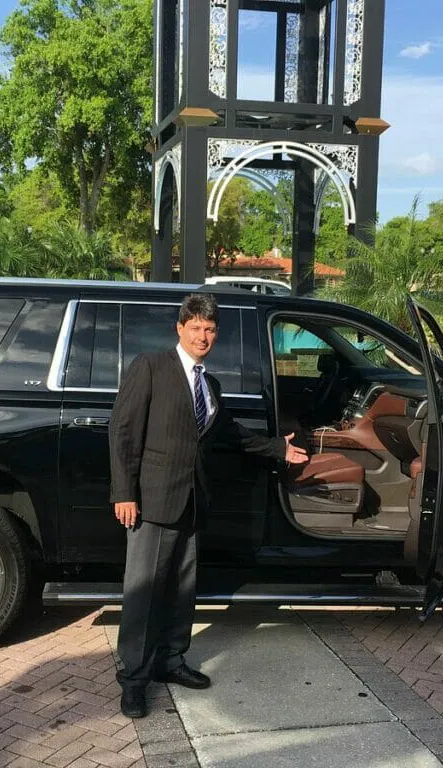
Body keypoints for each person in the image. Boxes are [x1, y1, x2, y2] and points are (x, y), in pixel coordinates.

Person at [109, 292, 308, 718]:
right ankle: (135, 680)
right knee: (144, 595)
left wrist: (277, 448)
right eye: (196, 327)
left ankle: (171, 661)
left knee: (182, 590)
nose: (203, 335)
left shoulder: (210, 385)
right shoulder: (151, 367)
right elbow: (122, 432)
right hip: (152, 501)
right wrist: (124, 491)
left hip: (193, 501)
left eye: (210, 328)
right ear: (180, 329)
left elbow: (230, 433)